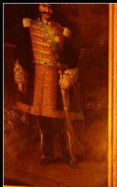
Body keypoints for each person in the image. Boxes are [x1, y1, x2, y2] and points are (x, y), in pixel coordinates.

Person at [13, 3, 82, 168]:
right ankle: (47, 154)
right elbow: (22, 53)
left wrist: (68, 78)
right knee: (42, 122)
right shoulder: (29, 27)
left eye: (50, 7)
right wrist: (20, 77)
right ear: (39, 6)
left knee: (60, 121)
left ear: (55, 9)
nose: (47, 11)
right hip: (37, 80)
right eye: (44, 6)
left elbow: (72, 60)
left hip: (55, 82)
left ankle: (68, 154)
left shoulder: (63, 32)